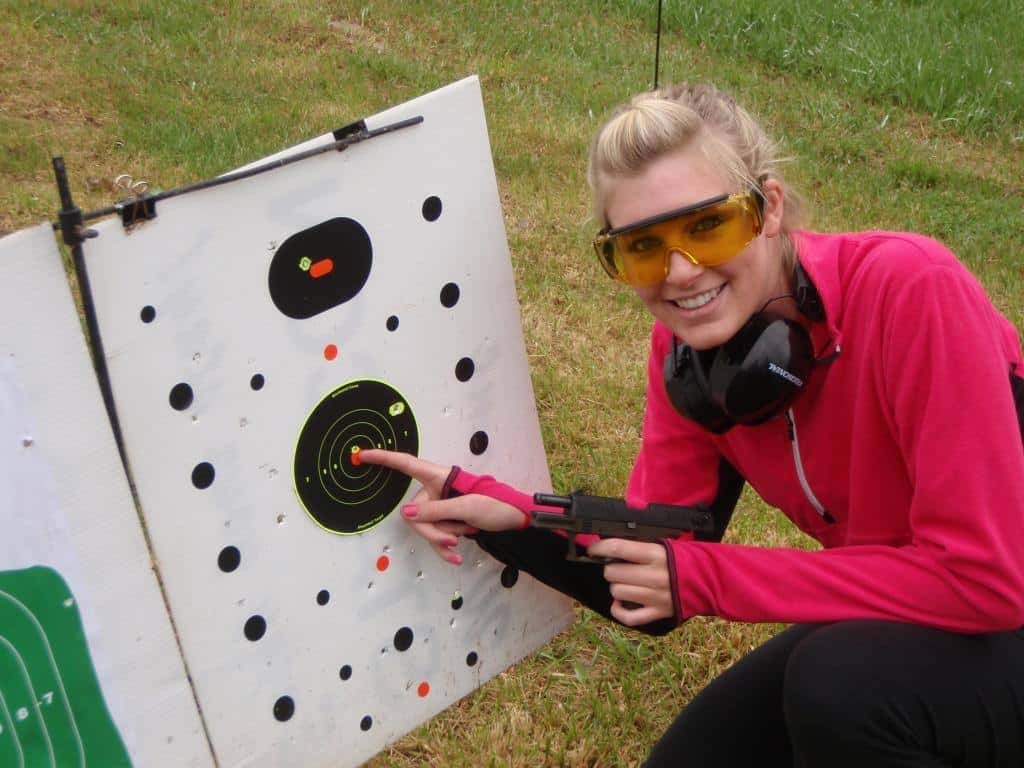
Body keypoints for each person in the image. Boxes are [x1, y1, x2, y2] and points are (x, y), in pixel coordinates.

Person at [361, 82, 1024, 767]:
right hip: (908, 621)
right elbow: (658, 559)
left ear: (767, 209)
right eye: (643, 247)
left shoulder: (911, 289)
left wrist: (711, 576)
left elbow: (984, 581)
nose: (681, 272)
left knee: (842, 687)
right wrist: (515, 516)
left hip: (1001, 617)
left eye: (708, 226)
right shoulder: (689, 358)